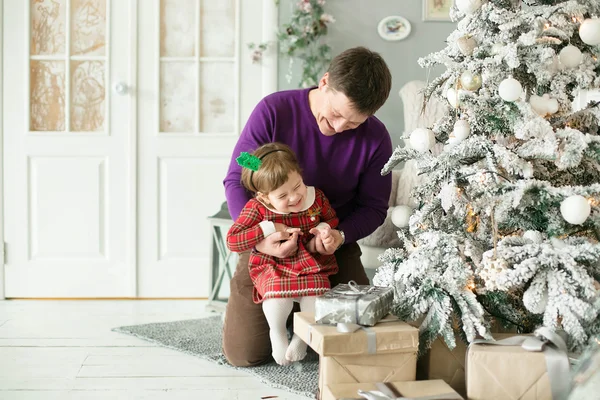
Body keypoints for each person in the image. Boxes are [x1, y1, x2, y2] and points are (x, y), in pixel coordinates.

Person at [222, 46, 393, 367]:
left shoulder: (376, 139)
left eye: (354, 123)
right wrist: (258, 238)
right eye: (337, 114)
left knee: (353, 341)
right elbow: (238, 171)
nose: (340, 127)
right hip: (268, 240)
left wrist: (339, 236)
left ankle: (299, 313)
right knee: (245, 355)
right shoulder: (274, 111)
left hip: (329, 243)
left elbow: (373, 207)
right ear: (324, 82)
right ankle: (282, 314)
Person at [226, 143, 340, 365]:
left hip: (310, 260)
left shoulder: (315, 198)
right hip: (273, 264)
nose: (294, 197)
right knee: (277, 295)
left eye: (298, 186)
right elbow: (233, 240)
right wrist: (267, 230)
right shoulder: (257, 208)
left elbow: (332, 218)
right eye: (282, 195)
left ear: (300, 174)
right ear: (266, 197)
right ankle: (277, 333)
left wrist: (325, 230)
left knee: (316, 294)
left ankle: (301, 336)